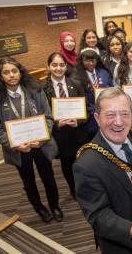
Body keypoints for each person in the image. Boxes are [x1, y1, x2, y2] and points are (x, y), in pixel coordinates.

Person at [74, 87, 132, 254]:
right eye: (110, 115)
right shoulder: (87, 164)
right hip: (121, 239)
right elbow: (98, 215)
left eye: (124, 114)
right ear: (97, 118)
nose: (118, 122)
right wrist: (131, 230)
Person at [0, 57, 62, 223]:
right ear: (0, 77)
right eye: (6, 72)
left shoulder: (35, 90)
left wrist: (42, 139)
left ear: (20, 73)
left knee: (48, 177)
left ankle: (54, 205)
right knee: (28, 182)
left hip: (40, 145)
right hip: (18, 150)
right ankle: (40, 208)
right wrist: (15, 144)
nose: (11, 75)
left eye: (14, 71)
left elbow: (48, 117)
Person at [42, 52, 88, 199]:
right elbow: (41, 114)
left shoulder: (75, 83)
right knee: (67, 165)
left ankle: (86, 187)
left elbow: (85, 109)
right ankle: (73, 189)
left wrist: (78, 121)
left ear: (66, 66)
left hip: (77, 132)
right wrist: (56, 123)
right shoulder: (42, 88)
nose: (58, 68)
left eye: (61, 65)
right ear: (48, 66)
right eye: (54, 65)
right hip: (60, 135)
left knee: (83, 163)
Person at [73, 48, 113, 140]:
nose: (90, 63)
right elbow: (79, 100)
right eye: (87, 60)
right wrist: (93, 110)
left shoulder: (104, 73)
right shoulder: (77, 77)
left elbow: (112, 90)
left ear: (97, 60)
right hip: (90, 119)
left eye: (93, 60)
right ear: (81, 61)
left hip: (107, 113)